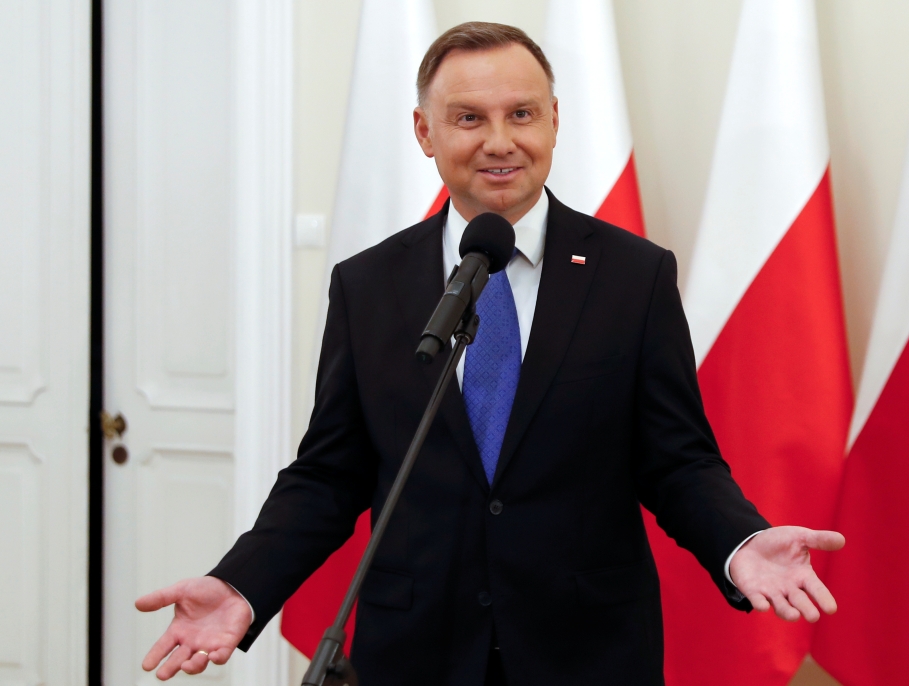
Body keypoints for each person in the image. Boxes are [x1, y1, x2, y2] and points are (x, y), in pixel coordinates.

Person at [136, 22, 845, 684]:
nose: (500, 140)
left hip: (587, 649)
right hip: (417, 649)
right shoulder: (369, 285)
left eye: (523, 114)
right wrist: (242, 584)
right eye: (469, 117)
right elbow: (329, 474)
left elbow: (677, 459)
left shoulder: (633, 276)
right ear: (425, 131)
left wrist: (739, 541)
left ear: (555, 121)